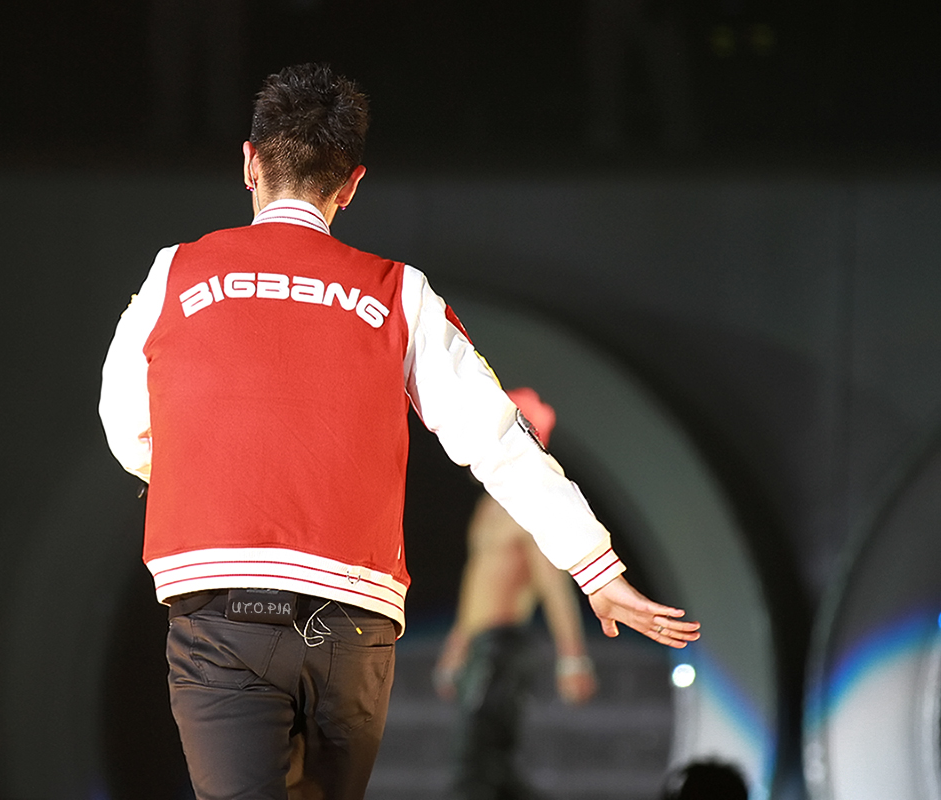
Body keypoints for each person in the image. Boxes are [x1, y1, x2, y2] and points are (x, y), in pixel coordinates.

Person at [98, 62, 700, 800]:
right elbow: (498, 438)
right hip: (353, 626)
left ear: (249, 162)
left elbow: (126, 425)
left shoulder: (176, 274)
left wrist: (205, 475)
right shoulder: (399, 293)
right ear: (351, 184)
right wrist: (595, 569)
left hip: (221, 614)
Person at [434, 389, 596, 800]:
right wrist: (457, 645)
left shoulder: (529, 504)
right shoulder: (489, 508)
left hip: (503, 648)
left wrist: (573, 658)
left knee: (476, 764)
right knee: (488, 763)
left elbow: (553, 585)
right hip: (483, 647)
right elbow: (477, 582)